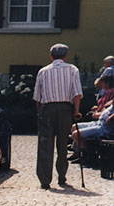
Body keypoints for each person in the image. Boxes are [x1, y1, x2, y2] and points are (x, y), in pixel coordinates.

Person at [33, 43, 83, 189]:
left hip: (47, 108)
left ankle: (44, 180)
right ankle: (62, 176)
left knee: (45, 144)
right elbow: (76, 93)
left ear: (51, 56)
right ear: (65, 56)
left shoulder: (43, 71)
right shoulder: (72, 69)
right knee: (62, 143)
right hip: (65, 109)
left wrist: (39, 113)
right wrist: (76, 111)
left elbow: (37, 96)